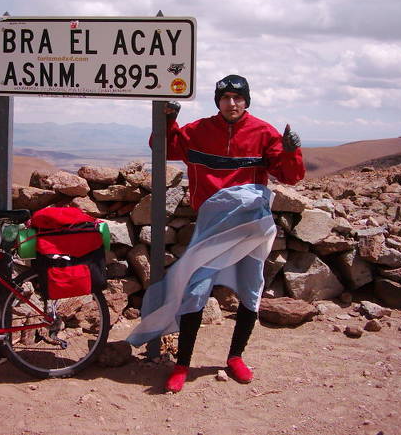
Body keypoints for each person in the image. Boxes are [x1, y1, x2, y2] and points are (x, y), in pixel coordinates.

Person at [127, 74, 305, 392]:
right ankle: (182, 365)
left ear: (246, 100)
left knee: (251, 291)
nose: (232, 103)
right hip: (211, 227)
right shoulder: (198, 131)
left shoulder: (264, 132)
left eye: (238, 98)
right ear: (218, 101)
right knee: (196, 291)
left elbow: (290, 176)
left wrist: (292, 152)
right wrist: (169, 120)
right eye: (225, 98)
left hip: (251, 226)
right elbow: (162, 148)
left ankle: (235, 358)